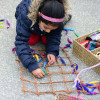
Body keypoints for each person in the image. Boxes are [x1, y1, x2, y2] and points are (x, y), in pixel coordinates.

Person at [15, 0, 71, 78]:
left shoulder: (58, 21)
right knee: (31, 41)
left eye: (51, 29)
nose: (48, 31)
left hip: (41, 23)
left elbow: (55, 35)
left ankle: (43, 30)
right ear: (39, 15)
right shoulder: (26, 16)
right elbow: (21, 42)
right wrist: (32, 66)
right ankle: (38, 30)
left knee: (47, 39)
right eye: (46, 27)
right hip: (31, 23)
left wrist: (52, 51)